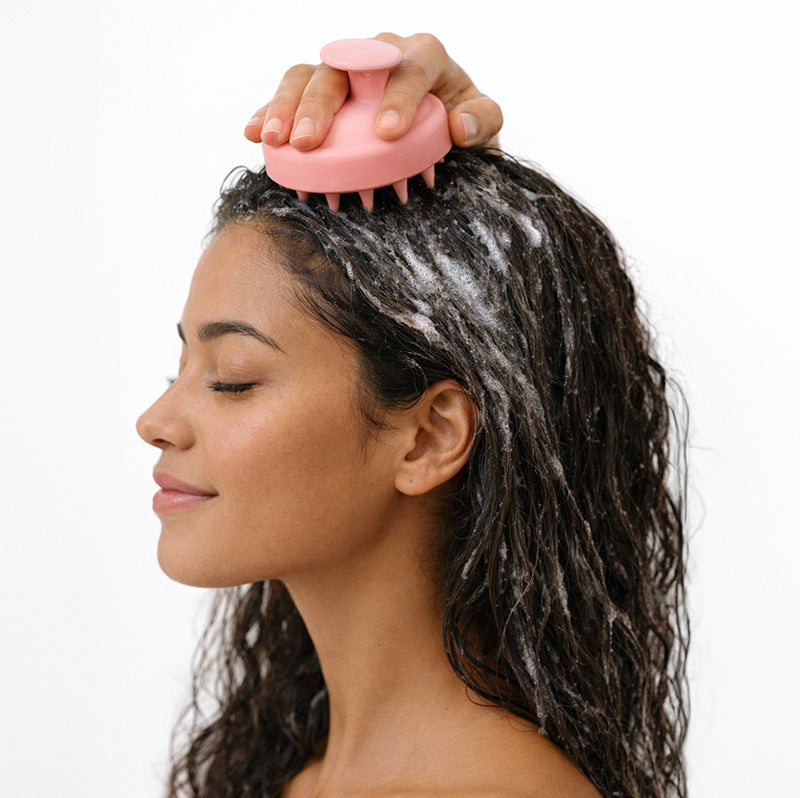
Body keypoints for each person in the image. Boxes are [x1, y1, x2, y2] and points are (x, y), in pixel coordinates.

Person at [137, 33, 688, 798]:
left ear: (430, 437)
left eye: (231, 379)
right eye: (180, 369)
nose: (156, 419)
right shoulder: (294, 772)